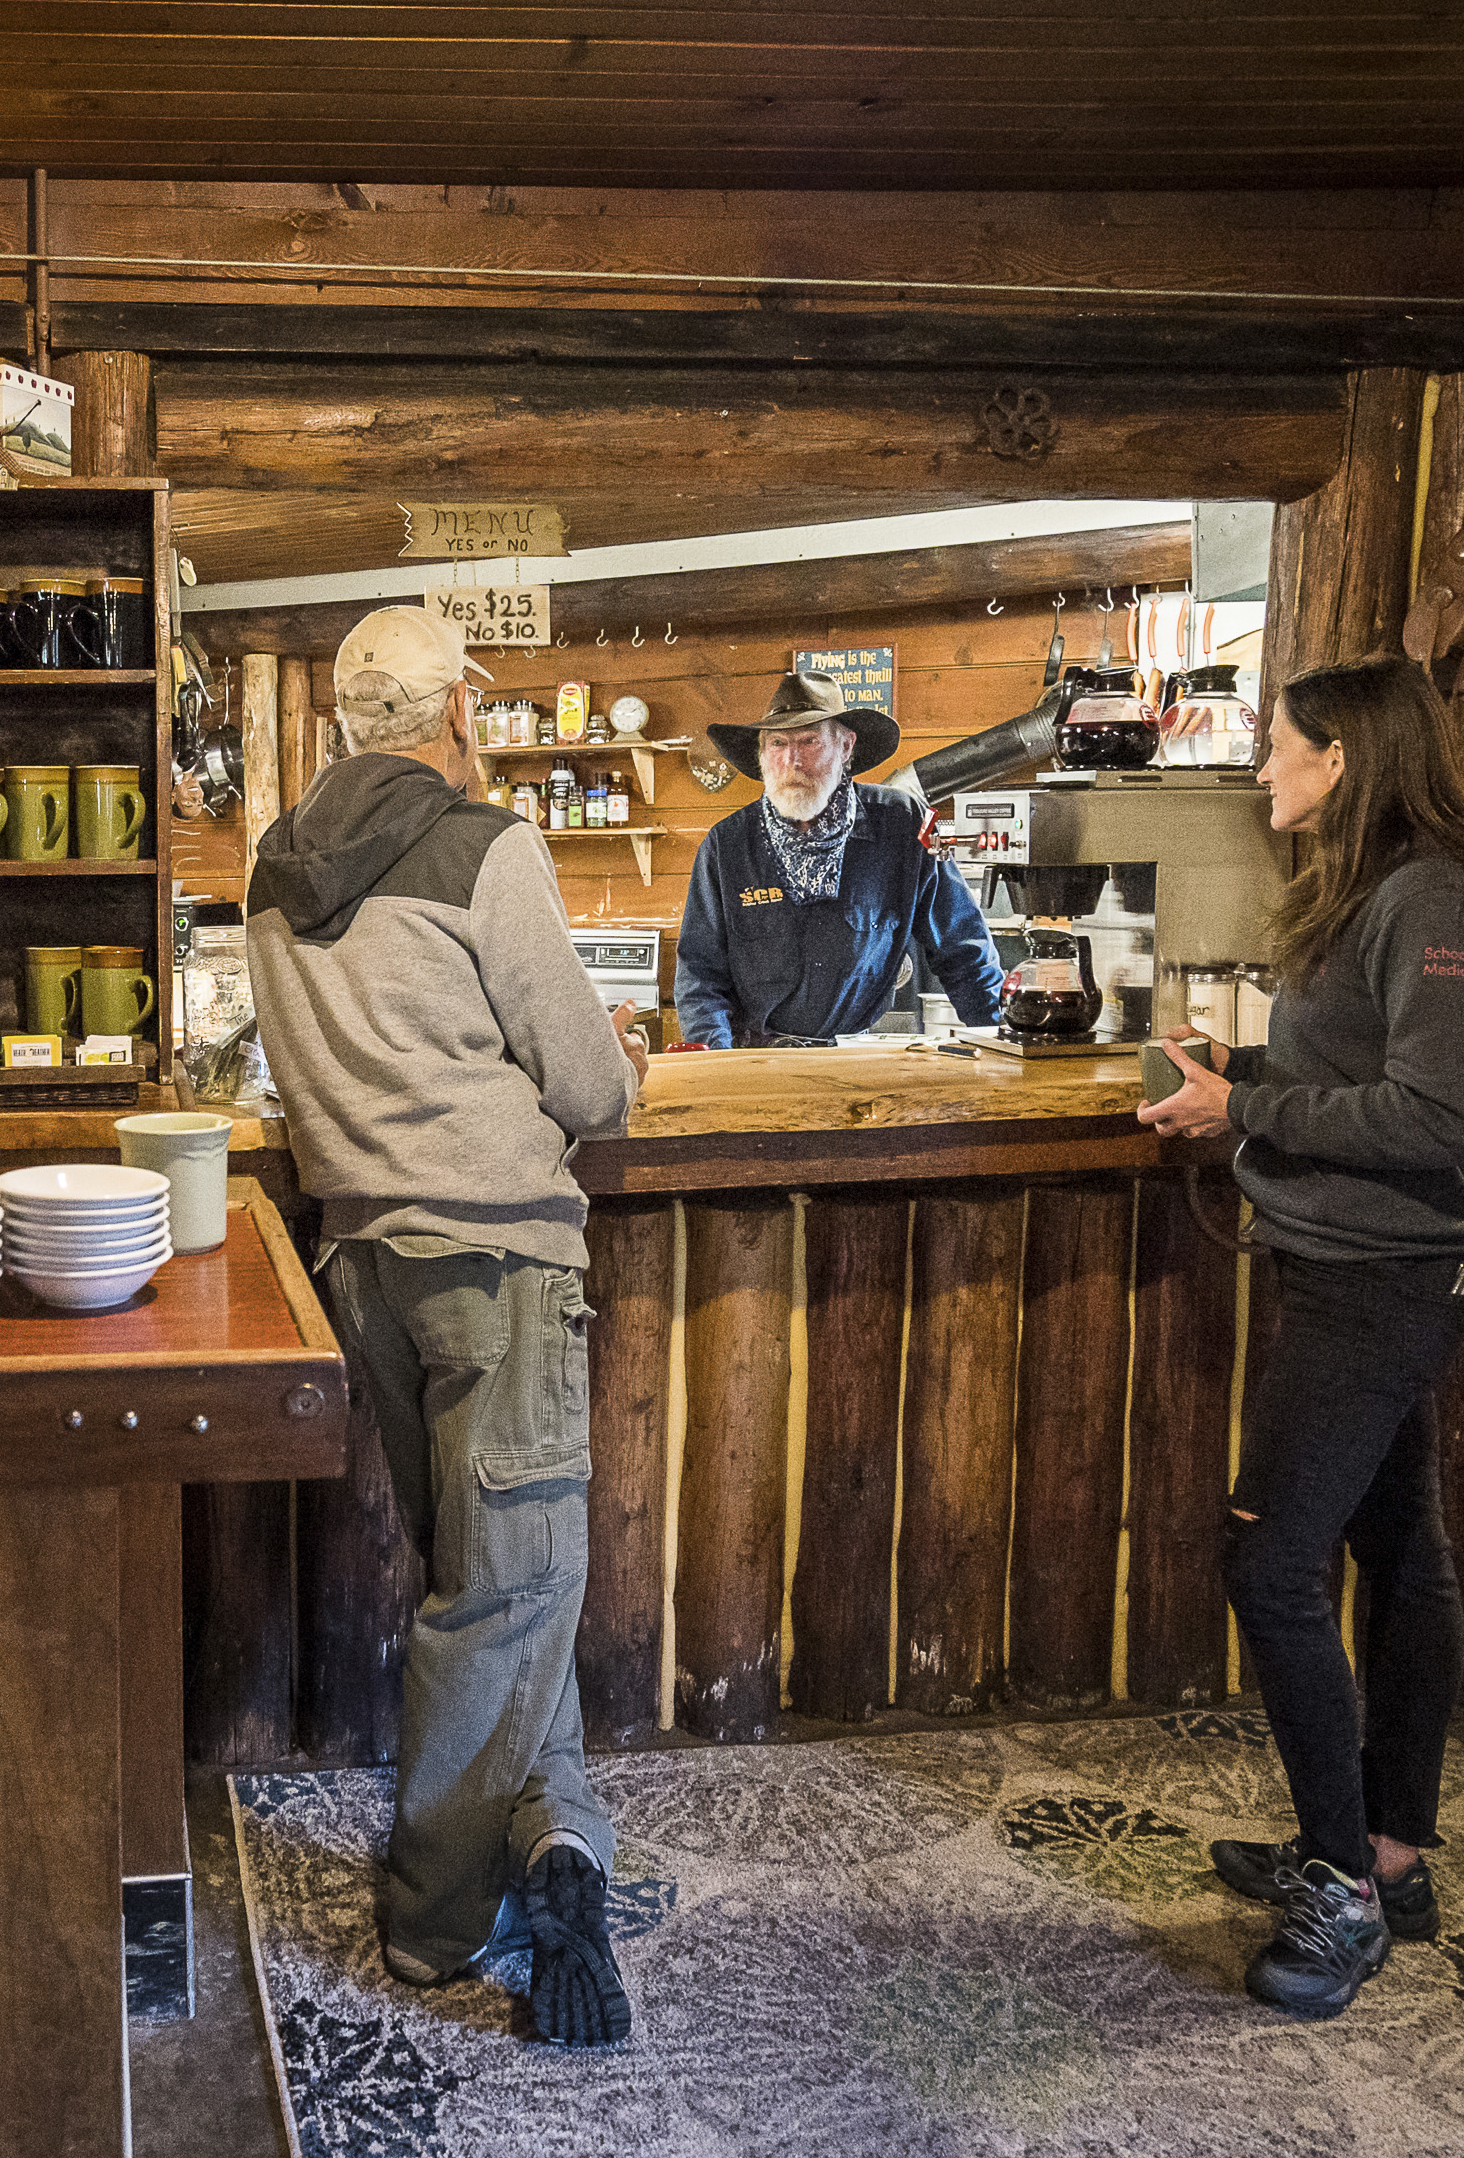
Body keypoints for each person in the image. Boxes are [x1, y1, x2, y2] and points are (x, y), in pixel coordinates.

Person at [245, 606, 654, 2047]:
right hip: (497, 1263)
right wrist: (614, 1069)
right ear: (456, 716)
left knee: (491, 1580)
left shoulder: (275, 870)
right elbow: (593, 1093)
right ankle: (431, 1923)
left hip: (365, 1269)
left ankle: (561, 1844)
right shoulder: (485, 849)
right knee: (508, 1591)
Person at [1134, 650, 1464, 2020]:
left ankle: (1340, 1887)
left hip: (1383, 1281)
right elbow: (1362, 1076)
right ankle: (1388, 1852)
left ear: (1342, 758)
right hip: (1362, 1267)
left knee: (1269, 1566)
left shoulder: (1435, 899)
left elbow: (1445, 1117)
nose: (1262, 768)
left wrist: (1242, 1114)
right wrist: (1238, 1074)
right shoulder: (1391, 892)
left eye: (1278, 746)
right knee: (1401, 1554)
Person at [672, 669, 1003, 1047]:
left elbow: (964, 950)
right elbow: (700, 975)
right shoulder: (727, 844)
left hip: (855, 1058)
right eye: (778, 744)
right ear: (762, 755)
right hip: (753, 1062)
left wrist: (999, 1045)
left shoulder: (902, 823)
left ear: (846, 747)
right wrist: (715, 1063)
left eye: (809, 741)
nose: (792, 761)